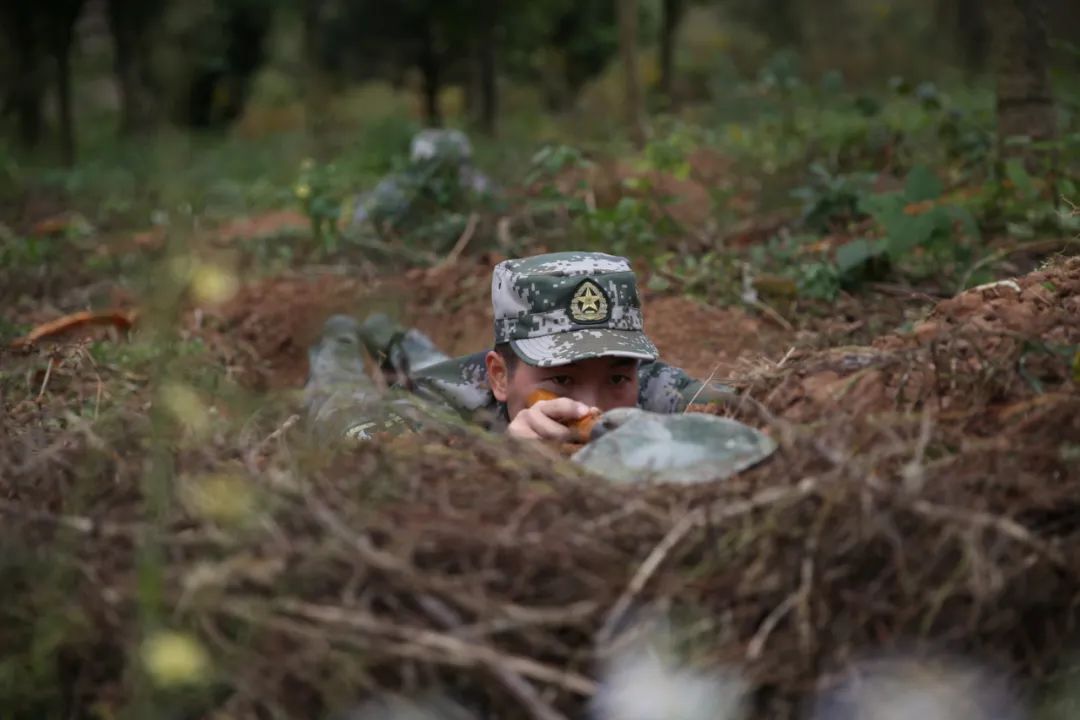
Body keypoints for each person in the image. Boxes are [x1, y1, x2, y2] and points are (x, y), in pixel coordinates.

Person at [311, 251, 732, 443]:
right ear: (500, 377)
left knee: (426, 358)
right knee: (340, 392)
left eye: (617, 376)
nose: (590, 406)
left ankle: (396, 335)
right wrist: (504, 459)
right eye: (562, 377)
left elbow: (755, 410)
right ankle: (340, 334)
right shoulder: (441, 399)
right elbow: (361, 443)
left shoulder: (651, 387)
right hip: (455, 396)